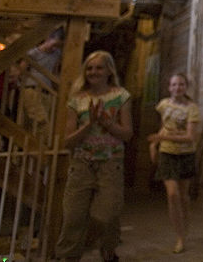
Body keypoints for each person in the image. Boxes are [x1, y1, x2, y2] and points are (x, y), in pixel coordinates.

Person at [56, 50, 133, 262]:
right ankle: (68, 256)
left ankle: (108, 251)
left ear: (109, 70)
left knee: (106, 215)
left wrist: (107, 123)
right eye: (89, 68)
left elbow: (127, 134)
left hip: (110, 163)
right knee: (73, 216)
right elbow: (67, 140)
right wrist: (88, 125)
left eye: (99, 67)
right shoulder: (77, 100)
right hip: (81, 163)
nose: (93, 72)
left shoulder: (121, 96)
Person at [149, 72, 200, 254]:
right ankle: (179, 237)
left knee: (184, 197)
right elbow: (163, 126)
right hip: (167, 153)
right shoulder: (163, 105)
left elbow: (190, 137)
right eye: (174, 85)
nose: (177, 88)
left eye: (181, 84)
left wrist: (163, 137)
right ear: (169, 87)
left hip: (186, 155)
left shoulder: (192, 108)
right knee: (172, 195)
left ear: (186, 87)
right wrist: (155, 144)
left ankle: (185, 231)